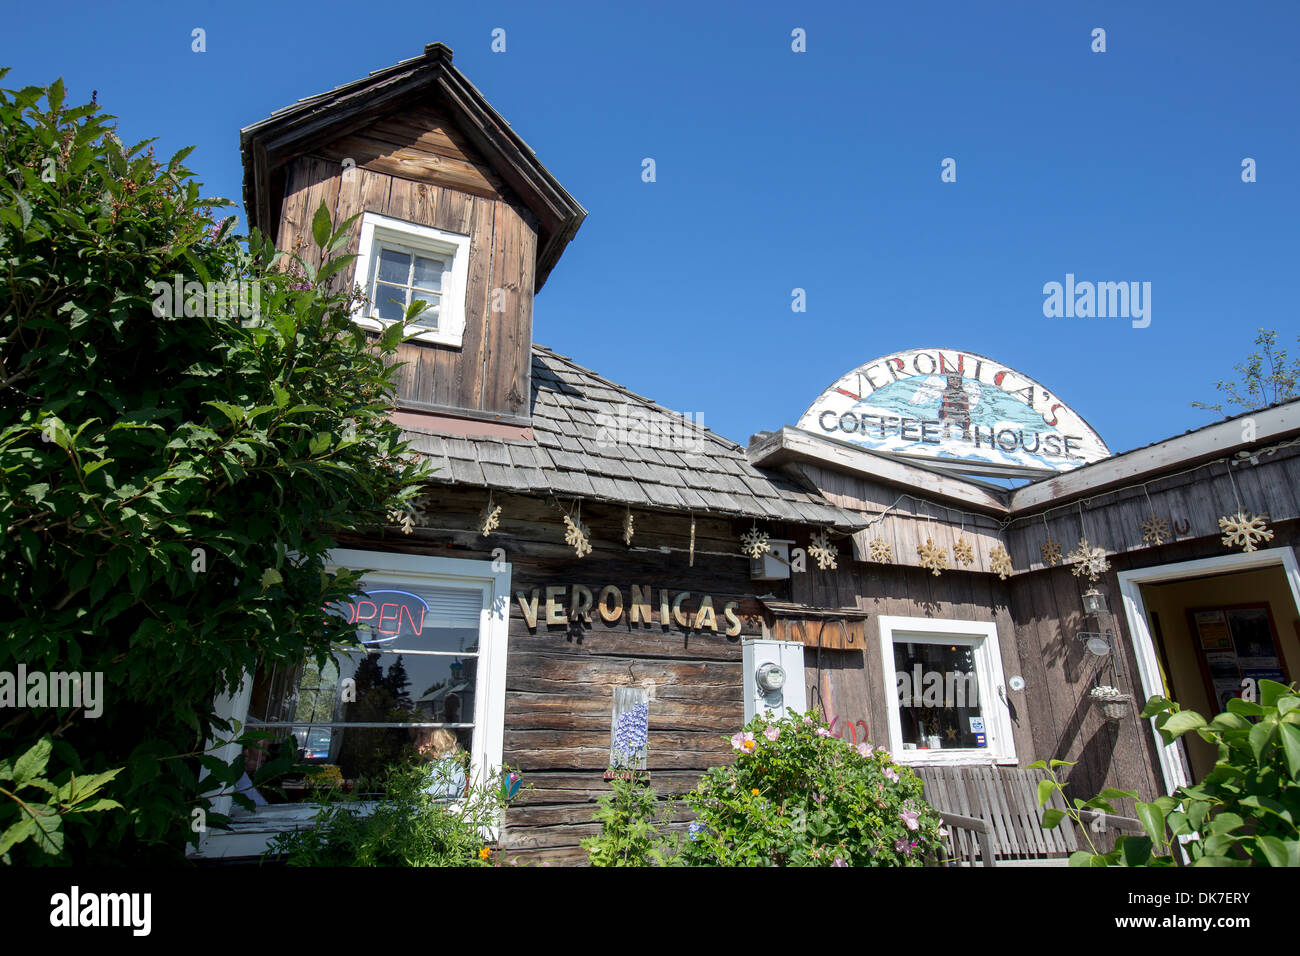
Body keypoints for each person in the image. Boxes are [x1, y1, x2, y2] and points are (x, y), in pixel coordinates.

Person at [415, 727, 467, 799]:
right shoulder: (432, 763)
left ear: (437, 737)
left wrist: (413, 795)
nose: (417, 742)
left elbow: (442, 798)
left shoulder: (448, 765)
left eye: (422, 735)